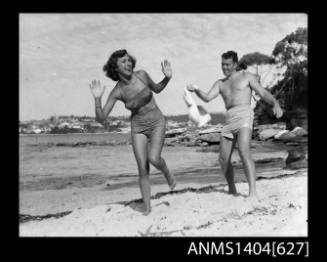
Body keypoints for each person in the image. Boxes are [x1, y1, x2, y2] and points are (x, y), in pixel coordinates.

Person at [89, 49, 176, 215]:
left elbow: (157, 88)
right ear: (115, 68)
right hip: (138, 127)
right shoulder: (118, 91)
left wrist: (167, 77)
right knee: (142, 169)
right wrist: (97, 98)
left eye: (129, 60)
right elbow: (101, 118)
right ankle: (147, 208)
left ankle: (166, 172)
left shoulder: (142, 75)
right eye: (123, 62)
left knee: (154, 158)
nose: (128, 63)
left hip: (157, 121)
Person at [187, 50, 283, 198]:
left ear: (235, 64)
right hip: (229, 119)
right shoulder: (220, 83)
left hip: (244, 114)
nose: (224, 67)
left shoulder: (246, 77)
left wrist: (275, 103)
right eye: (222, 64)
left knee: (244, 152)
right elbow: (207, 98)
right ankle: (232, 189)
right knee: (223, 159)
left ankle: (252, 193)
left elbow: (262, 93)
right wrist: (196, 90)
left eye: (227, 64)